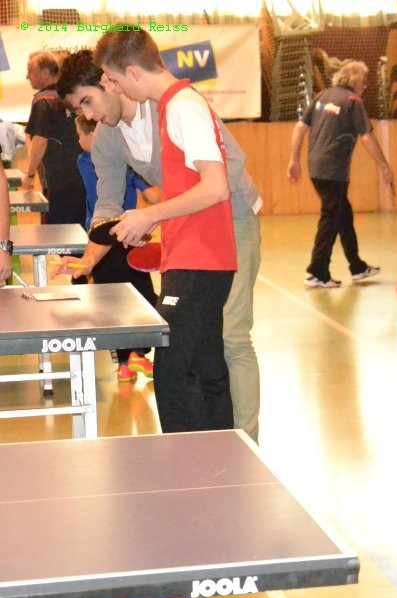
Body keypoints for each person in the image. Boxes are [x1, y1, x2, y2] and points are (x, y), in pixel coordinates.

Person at [54, 48, 263, 441]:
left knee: (231, 335)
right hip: (185, 224)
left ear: (110, 82)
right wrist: (89, 258)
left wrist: (155, 215)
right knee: (197, 344)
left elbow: (225, 176)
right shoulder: (108, 137)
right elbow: (108, 206)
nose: (88, 114)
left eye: (87, 101)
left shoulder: (174, 107)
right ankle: (215, 440)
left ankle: (247, 444)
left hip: (231, 215)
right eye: (79, 108)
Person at [89, 30, 236, 434]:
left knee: (172, 369)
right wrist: (153, 222)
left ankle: (183, 462)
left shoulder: (184, 107)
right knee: (206, 368)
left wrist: (150, 215)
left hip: (201, 257)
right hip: (187, 254)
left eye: (113, 80)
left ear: (133, 73)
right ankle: (221, 455)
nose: (112, 88)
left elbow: (216, 187)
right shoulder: (172, 107)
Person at [57, 112, 160, 383]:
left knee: (112, 305)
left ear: (94, 135)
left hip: (103, 239)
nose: (78, 142)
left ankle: (126, 363)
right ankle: (138, 354)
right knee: (142, 297)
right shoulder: (125, 163)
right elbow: (152, 195)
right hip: (128, 239)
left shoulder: (84, 161)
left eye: (80, 136)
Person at [287, 59, 393, 288]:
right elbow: (367, 137)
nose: (365, 86)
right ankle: (317, 272)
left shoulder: (322, 96)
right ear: (355, 80)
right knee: (330, 219)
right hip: (333, 171)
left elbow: (299, 128)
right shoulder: (352, 101)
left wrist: (294, 160)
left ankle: (357, 267)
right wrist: (384, 166)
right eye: (364, 82)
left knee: (343, 215)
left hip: (316, 168)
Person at [24, 51, 87, 224]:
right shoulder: (72, 95)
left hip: (57, 183)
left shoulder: (42, 100)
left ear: (45, 72)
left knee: (54, 234)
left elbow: (39, 140)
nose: (27, 76)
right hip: (84, 178)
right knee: (80, 231)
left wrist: (29, 174)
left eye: (30, 71)